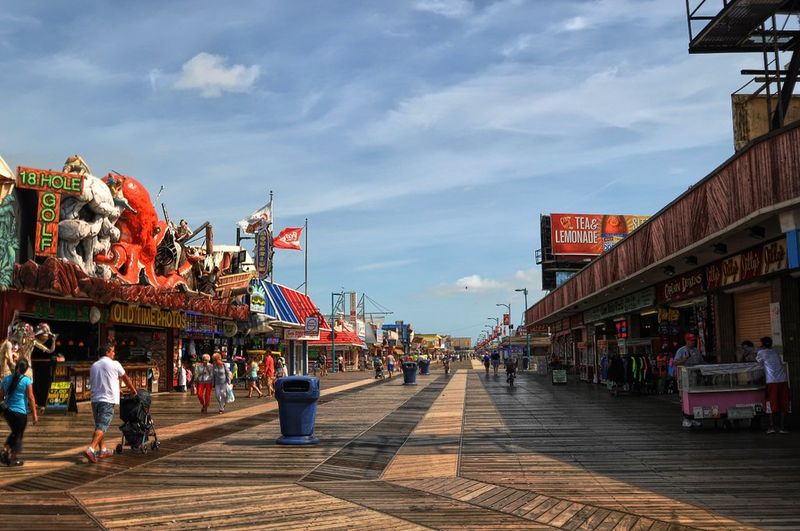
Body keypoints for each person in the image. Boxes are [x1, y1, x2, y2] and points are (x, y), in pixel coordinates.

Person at [85, 343, 136, 463]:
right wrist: (133, 390)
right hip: (107, 400)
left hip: (95, 400)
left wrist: (117, 389)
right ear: (107, 352)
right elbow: (126, 378)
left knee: (99, 425)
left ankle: (103, 450)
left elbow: (103, 380)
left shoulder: (94, 366)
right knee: (102, 426)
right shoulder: (115, 364)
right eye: (112, 351)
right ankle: (91, 449)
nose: (114, 354)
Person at [0, 360, 37, 466]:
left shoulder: (6, 379)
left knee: (15, 433)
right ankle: (9, 455)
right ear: (25, 369)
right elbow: (31, 398)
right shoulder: (26, 380)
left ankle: (7, 453)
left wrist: (2, 411)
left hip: (8, 412)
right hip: (20, 413)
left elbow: (0, 396)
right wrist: (34, 414)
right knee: (18, 434)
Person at [756, 337, 789, 434]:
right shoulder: (775, 352)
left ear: (762, 344)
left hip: (772, 382)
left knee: (770, 403)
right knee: (783, 403)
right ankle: (782, 428)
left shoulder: (761, 352)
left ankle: (771, 427)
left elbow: (758, 362)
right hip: (783, 380)